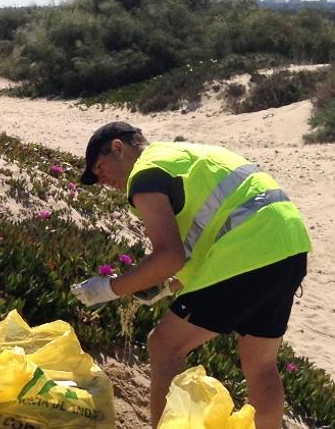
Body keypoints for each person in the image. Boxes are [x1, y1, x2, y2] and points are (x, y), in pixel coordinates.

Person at [71, 122, 311, 429]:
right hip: (289, 244)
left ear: (118, 147)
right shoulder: (183, 156)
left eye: (100, 168)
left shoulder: (145, 173)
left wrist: (108, 288)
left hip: (250, 248)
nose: (101, 180)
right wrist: (169, 287)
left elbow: (169, 256)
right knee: (260, 362)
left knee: (164, 345)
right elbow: (204, 242)